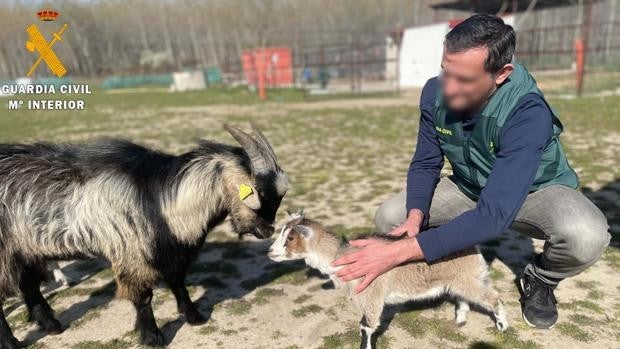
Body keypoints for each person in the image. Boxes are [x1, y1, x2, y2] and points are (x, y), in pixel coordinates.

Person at [332, 14, 610, 329]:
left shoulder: (528, 113)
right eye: (445, 71)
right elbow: (426, 162)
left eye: (463, 79)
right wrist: (414, 218)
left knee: (587, 235)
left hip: (534, 191)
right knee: (391, 215)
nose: (448, 88)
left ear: (501, 74)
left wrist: (397, 253)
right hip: (470, 186)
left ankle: (541, 279)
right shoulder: (434, 93)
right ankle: (438, 271)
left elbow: (494, 214)